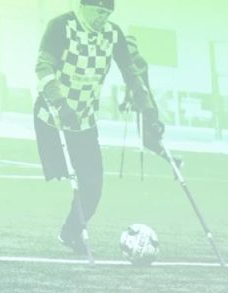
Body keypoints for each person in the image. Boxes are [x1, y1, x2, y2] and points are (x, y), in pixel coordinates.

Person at [34, 0, 165, 254]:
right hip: (52, 117)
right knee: (60, 173)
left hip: (84, 121)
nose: (102, 18)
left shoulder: (113, 34)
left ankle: (70, 233)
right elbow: (43, 67)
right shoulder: (61, 26)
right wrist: (60, 103)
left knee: (93, 186)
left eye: (107, 13)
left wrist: (148, 111)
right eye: (98, 11)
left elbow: (132, 74)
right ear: (83, 6)